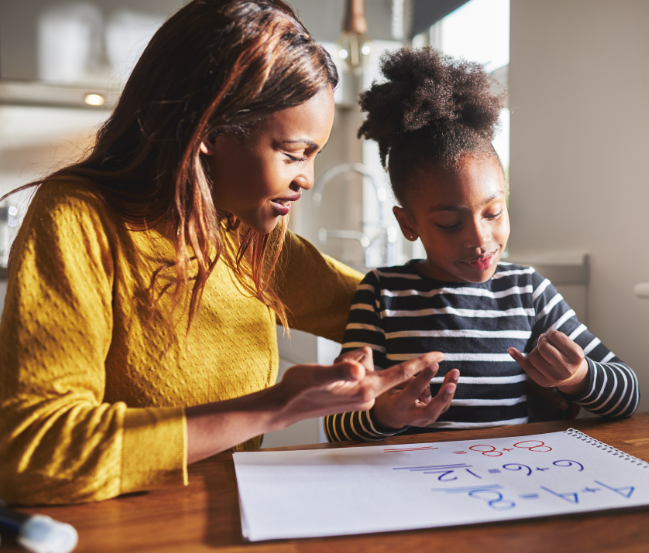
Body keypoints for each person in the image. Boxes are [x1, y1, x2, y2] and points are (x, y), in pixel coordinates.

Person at [0, 0, 444, 505]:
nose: (307, 179)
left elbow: (399, 315)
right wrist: (276, 406)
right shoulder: (78, 218)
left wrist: (546, 358)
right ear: (211, 131)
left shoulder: (248, 233)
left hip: (232, 518)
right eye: (294, 153)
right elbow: (35, 455)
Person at [324, 48, 639, 442]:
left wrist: (579, 378)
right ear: (408, 224)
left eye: (493, 213)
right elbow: (335, 421)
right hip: (412, 486)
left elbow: (628, 393)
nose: (479, 239)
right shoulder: (381, 293)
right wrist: (384, 415)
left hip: (511, 483)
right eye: (449, 223)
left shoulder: (527, 291)